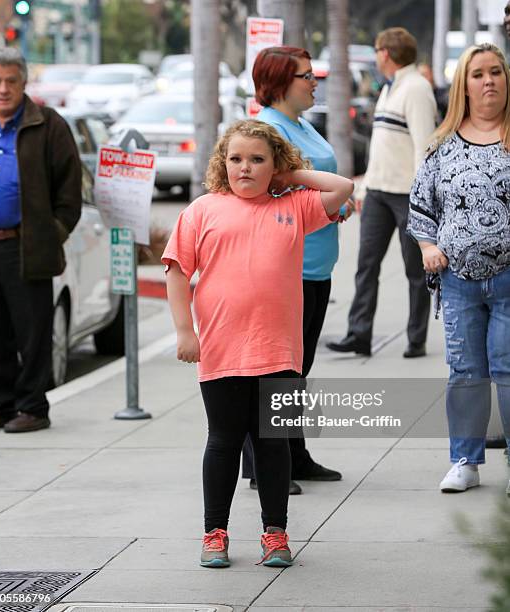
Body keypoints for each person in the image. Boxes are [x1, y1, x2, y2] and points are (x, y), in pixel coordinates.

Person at [162, 119, 354, 567]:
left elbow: (342, 187)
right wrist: (185, 330)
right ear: (222, 164)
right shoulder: (203, 210)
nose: (244, 168)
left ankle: (275, 533)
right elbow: (176, 271)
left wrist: (292, 176)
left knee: (273, 441)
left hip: (278, 349)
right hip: (222, 348)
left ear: (275, 166)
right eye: (235, 159)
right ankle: (215, 533)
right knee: (224, 441)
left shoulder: (293, 207)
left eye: (257, 160)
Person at [242, 46, 353, 496]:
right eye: (306, 76)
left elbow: (306, 185)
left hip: (316, 265)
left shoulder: (301, 124)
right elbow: (264, 192)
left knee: (298, 368)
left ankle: (295, 454)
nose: (314, 83)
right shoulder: (267, 129)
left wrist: (336, 204)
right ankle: (266, 466)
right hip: (285, 268)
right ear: (279, 82)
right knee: (275, 369)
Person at [408, 43, 510, 494]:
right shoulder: (441, 145)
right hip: (458, 280)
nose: (488, 81)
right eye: (478, 74)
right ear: (463, 86)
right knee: (466, 371)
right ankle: (465, 460)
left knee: (508, 369)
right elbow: (420, 207)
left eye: (495, 72)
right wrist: (429, 246)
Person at [0, 46, 82, 433]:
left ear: (24, 82)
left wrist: (49, 234)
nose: (3, 89)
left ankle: (32, 407)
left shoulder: (49, 124)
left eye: (11, 81)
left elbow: (69, 194)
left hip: (26, 246)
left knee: (33, 331)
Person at [327, 27, 436, 359]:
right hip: (377, 192)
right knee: (366, 265)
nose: (376, 57)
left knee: (415, 271)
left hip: (407, 196)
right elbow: (384, 146)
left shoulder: (416, 89)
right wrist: (364, 187)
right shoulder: (391, 88)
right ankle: (359, 333)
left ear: (386, 53)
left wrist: (423, 200)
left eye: (377, 51)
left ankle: (416, 338)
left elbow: (424, 148)